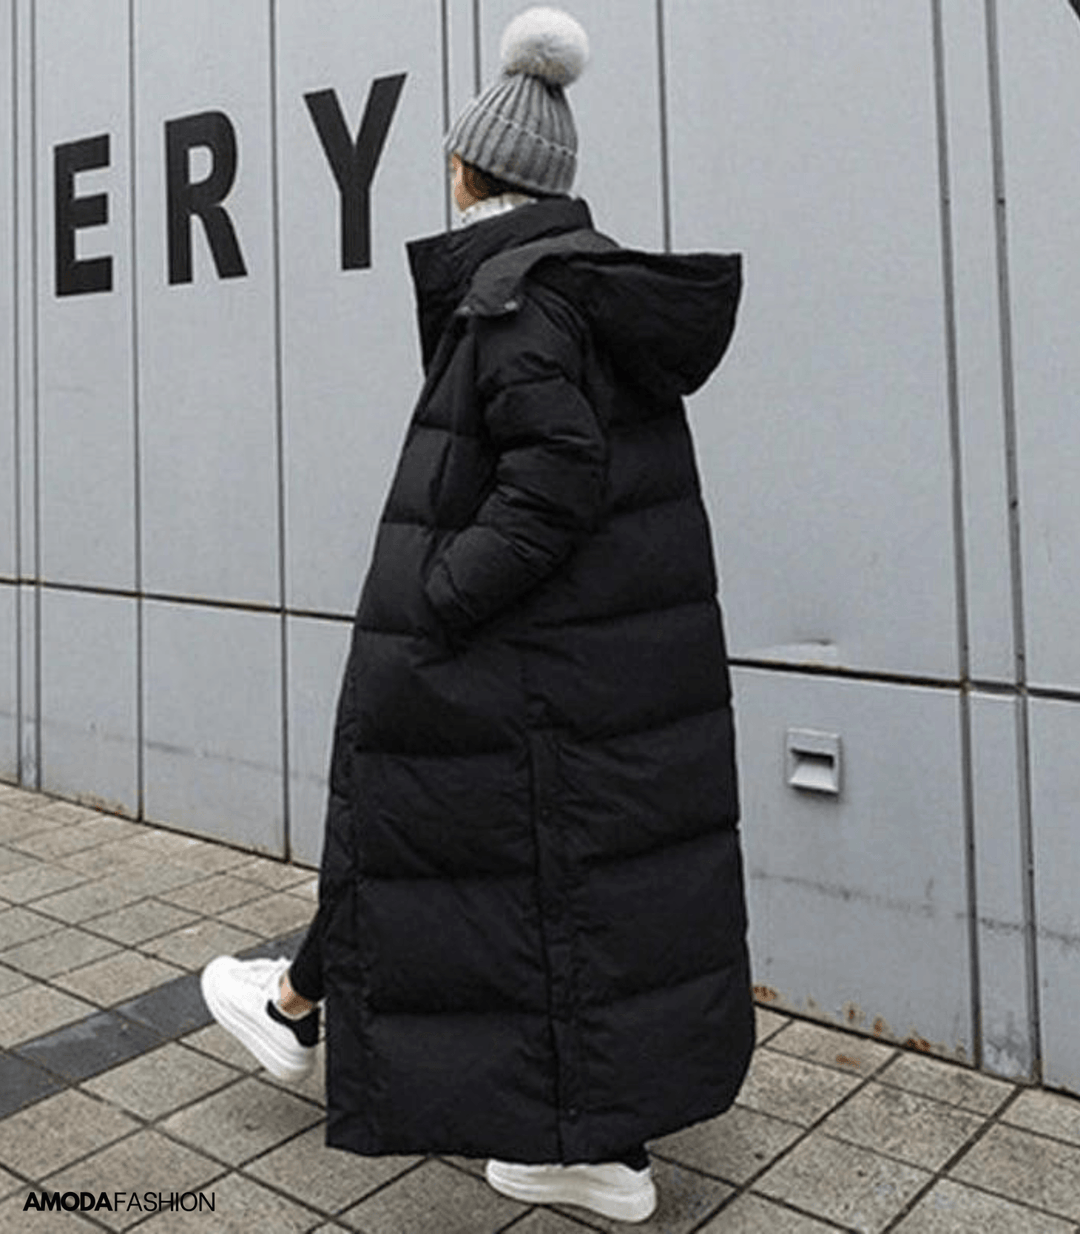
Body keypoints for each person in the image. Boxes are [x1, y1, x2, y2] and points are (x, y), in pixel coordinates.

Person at [200, 6, 753, 1224]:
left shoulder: (520, 305)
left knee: (433, 825)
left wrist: (444, 598)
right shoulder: (580, 288)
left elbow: (554, 484)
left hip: (530, 660)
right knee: (542, 876)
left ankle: (324, 1019)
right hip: (585, 663)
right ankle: (558, 1129)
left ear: (465, 170)